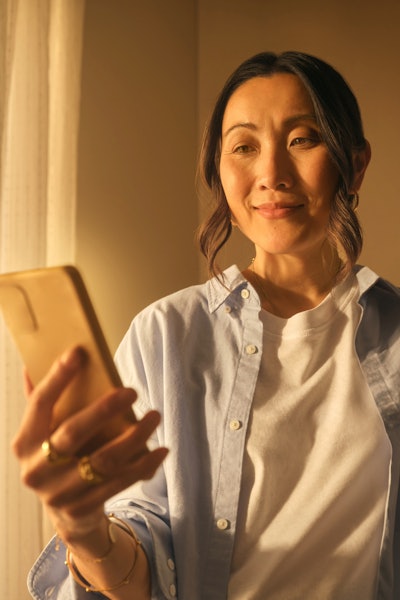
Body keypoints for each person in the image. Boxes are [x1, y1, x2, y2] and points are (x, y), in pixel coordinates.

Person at [13, 51, 400, 600]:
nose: (271, 175)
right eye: (244, 147)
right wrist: (87, 535)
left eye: (302, 139)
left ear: (354, 164)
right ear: (219, 171)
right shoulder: (166, 334)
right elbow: (141, 555)